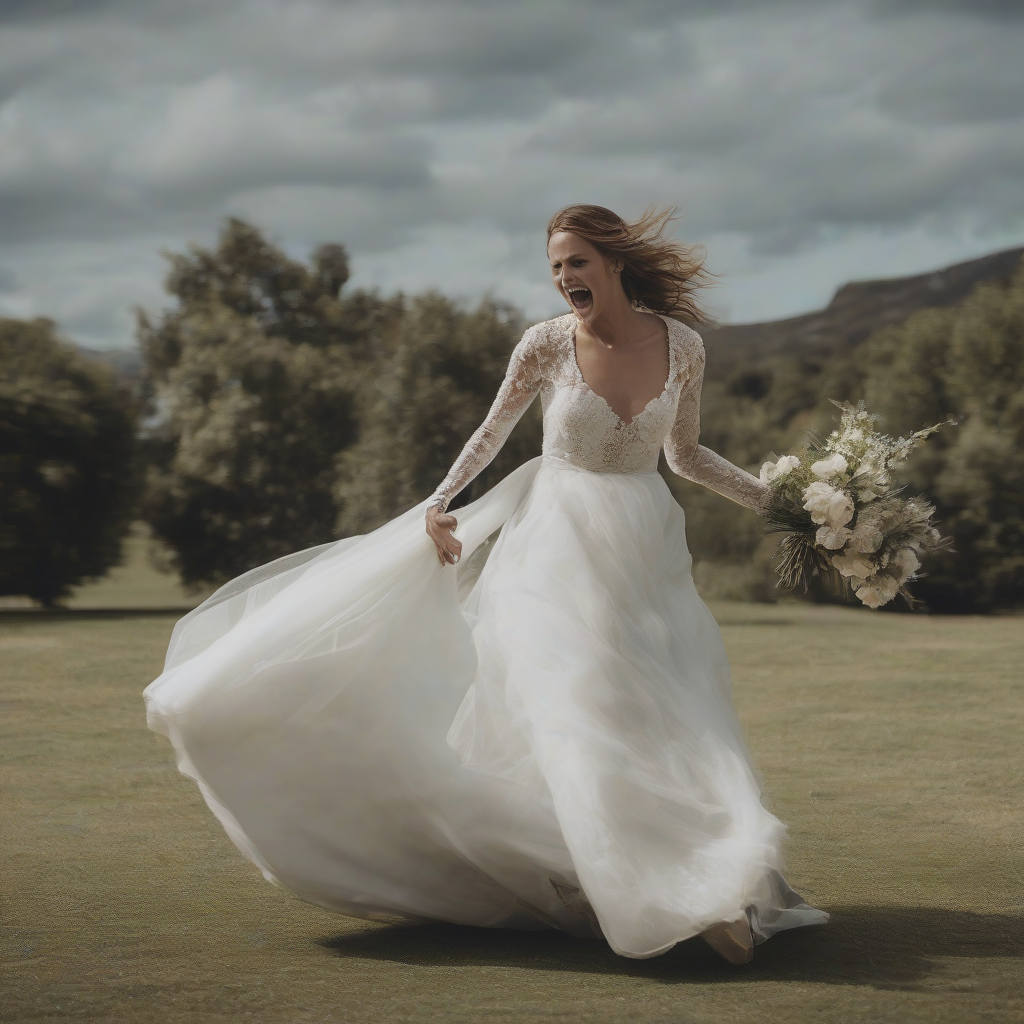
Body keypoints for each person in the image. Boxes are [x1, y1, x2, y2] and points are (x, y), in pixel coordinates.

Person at [144, 204, 827, 967]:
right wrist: (439, 502)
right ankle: (659, 895)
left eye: (577, 263)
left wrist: (788, 507)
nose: (566, 278)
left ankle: (701, 876)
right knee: (583, 704)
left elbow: (689, 457)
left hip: (646, 548)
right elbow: (492, 432)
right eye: (557, 267)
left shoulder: (685, 346)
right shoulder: (545, 344)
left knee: (667, 711)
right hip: (556, 544)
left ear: (615, 264)